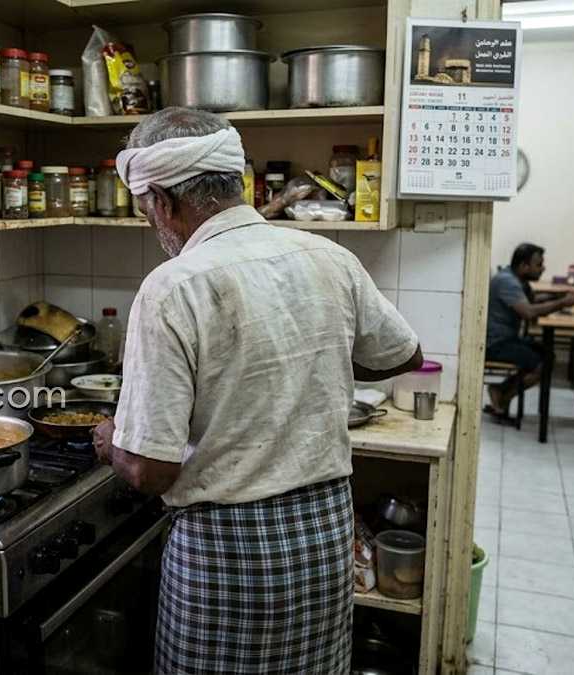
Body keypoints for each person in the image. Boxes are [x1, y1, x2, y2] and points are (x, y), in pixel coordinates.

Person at [90, 107, 424, 674]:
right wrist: (312, 360)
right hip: (323, 536)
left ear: (163, 202)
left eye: (146, 209)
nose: (153, 223)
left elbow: (150, 471)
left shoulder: (172, 287)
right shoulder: (329, 257)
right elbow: (403, 355)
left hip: (225, 550)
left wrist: (110, 441)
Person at [485, 243, 574, 416]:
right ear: (524, 266)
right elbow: (529, 312)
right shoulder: (508, 282)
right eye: (539, 264)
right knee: (541, 364)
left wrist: (557, 296)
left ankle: (501, 391)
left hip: (506, 339)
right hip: (495, 344)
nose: (543, 268)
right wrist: (562, 303)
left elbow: (530, 300)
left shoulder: (516, 279)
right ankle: (503, 395)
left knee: (547, 355)